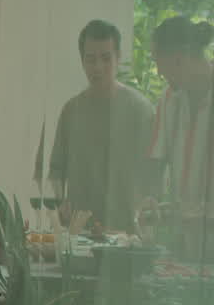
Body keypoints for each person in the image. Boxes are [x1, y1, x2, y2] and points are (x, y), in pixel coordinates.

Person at [47, 19, 155, 230]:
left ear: (118, 58)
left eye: (106, 58)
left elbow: (152, 174)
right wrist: (61, 203)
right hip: (80, 231)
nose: (98, 67)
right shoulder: (72, 110)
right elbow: (56, 168)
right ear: (82, 61)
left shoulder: (140, 110)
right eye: (91, 59)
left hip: (126, 232)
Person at [148, 17, 214, 260]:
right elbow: (155, 163)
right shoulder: (169, 101)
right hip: (185, 237)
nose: (158, 72)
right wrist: (151, 197)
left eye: (159, 61)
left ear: (179, 57)